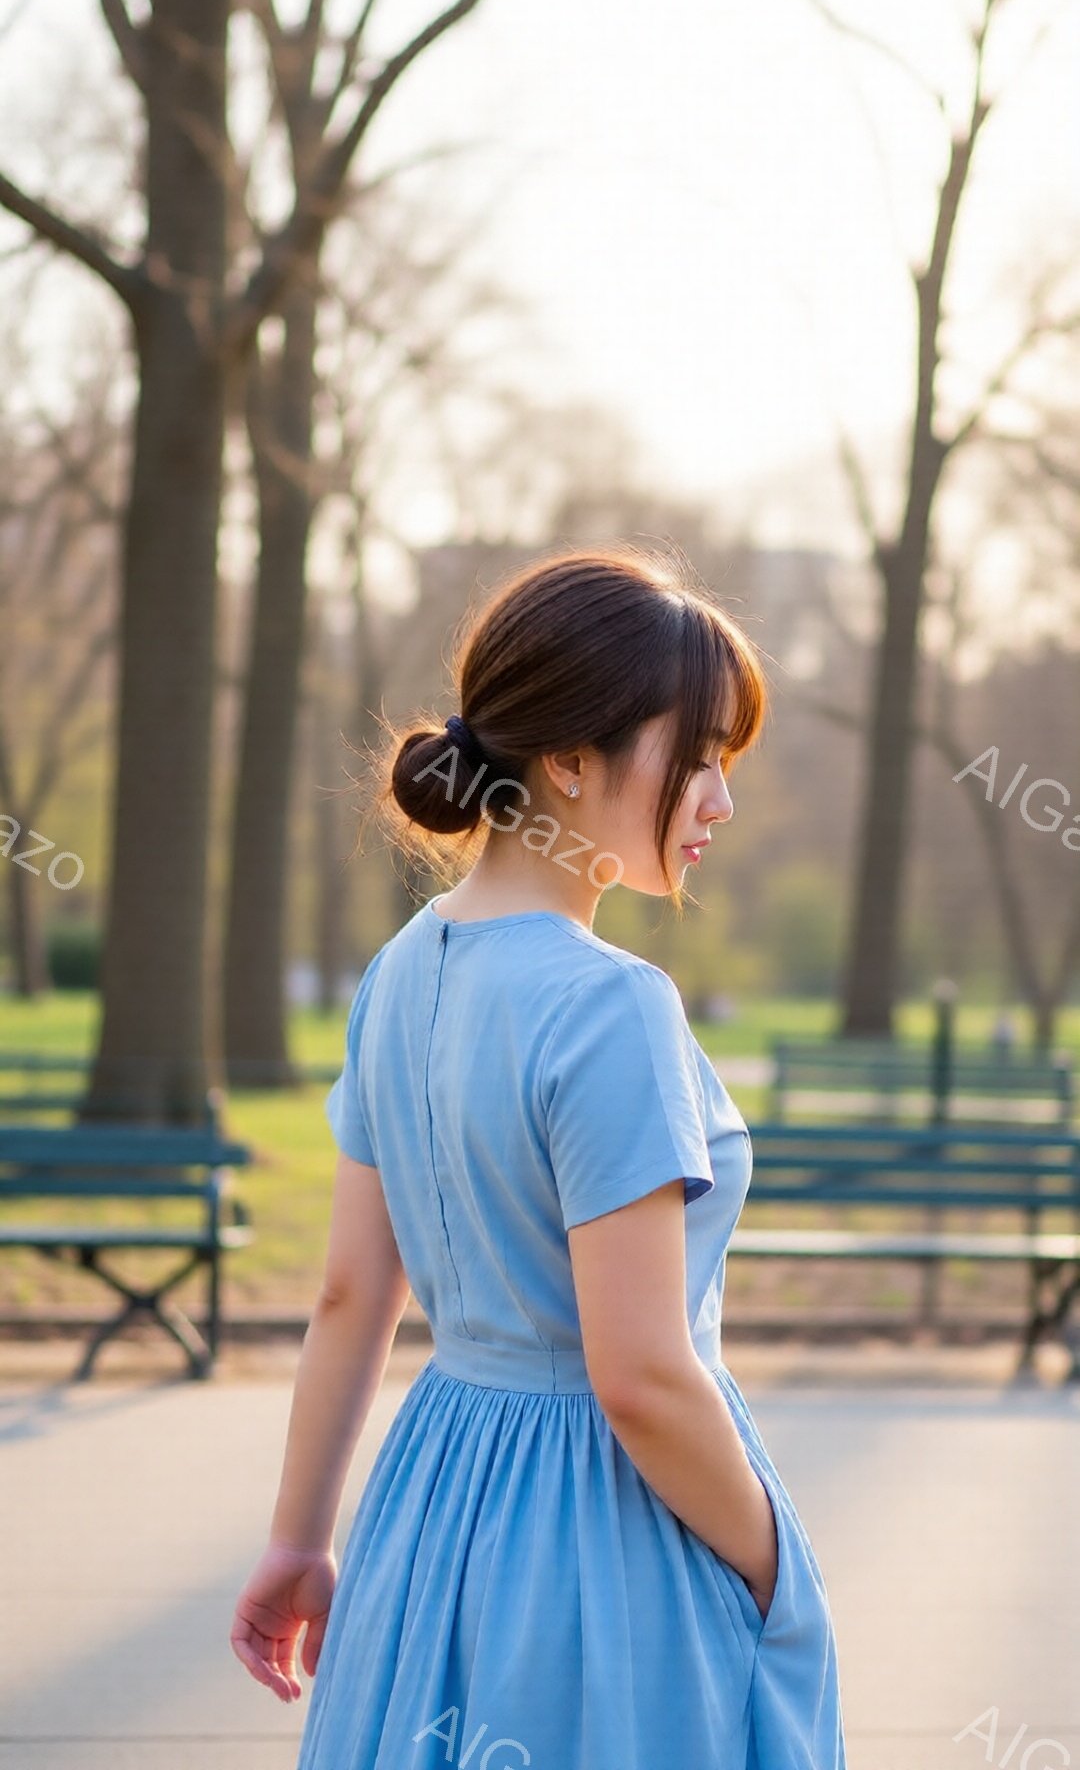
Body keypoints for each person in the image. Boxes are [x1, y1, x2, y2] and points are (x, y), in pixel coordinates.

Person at [229, 544, 848, 1769]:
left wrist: (298, 1542)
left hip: (432, 1505)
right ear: (569, 759)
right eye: (698, 756)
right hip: (607, 1529)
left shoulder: (397, 972)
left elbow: (351, 1293)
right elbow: (640, 1378)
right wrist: (778, 1564)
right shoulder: (612, 1004)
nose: (720, 801)